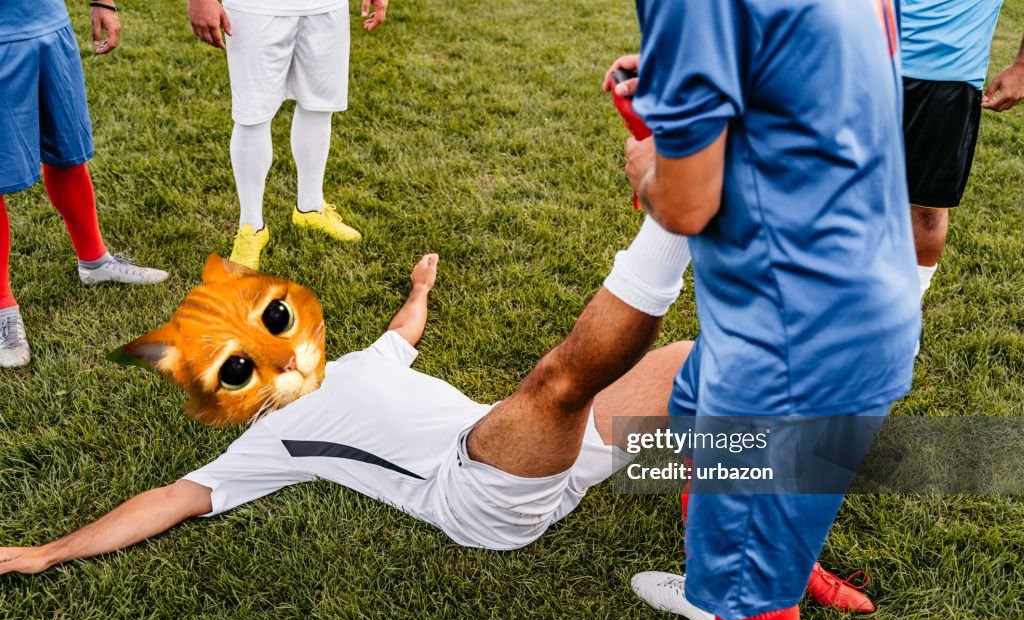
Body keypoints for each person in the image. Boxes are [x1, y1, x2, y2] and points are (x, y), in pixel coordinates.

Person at [0, 238, 700, 572]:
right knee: (560, 384)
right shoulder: (272, 439)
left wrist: (420, 287)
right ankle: (669, 226)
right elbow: (173, 497)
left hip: (547, 464)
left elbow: (401, 334)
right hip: (478, 493)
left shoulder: (358, 363)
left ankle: (794, 516)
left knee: (694, 369)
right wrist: (44, 552)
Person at [606, 0, 919, 620]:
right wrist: (680, 83)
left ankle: (748, 584)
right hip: (858, 285)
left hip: (795, 334)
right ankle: (741, 567)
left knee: (751, 585)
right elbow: (808, 83)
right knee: (693, 410)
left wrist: (649, 164)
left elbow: (688, 202)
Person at [0, 1, 168, 369]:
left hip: (49, 26)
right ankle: (1, 307)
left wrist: (102, 2)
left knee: (68, 152)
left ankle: (94, 261)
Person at [186, 0, 389, 271]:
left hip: (327, 6)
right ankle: (251, 226)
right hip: (255, 8)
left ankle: (310, 207)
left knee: (319, 107)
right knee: (252, 116)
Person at [901, 0, 1024, 306]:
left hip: (950, 77)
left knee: (927, 209)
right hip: (863, 62)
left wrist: (1022, 66)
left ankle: (906, 313)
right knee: (844, 195)